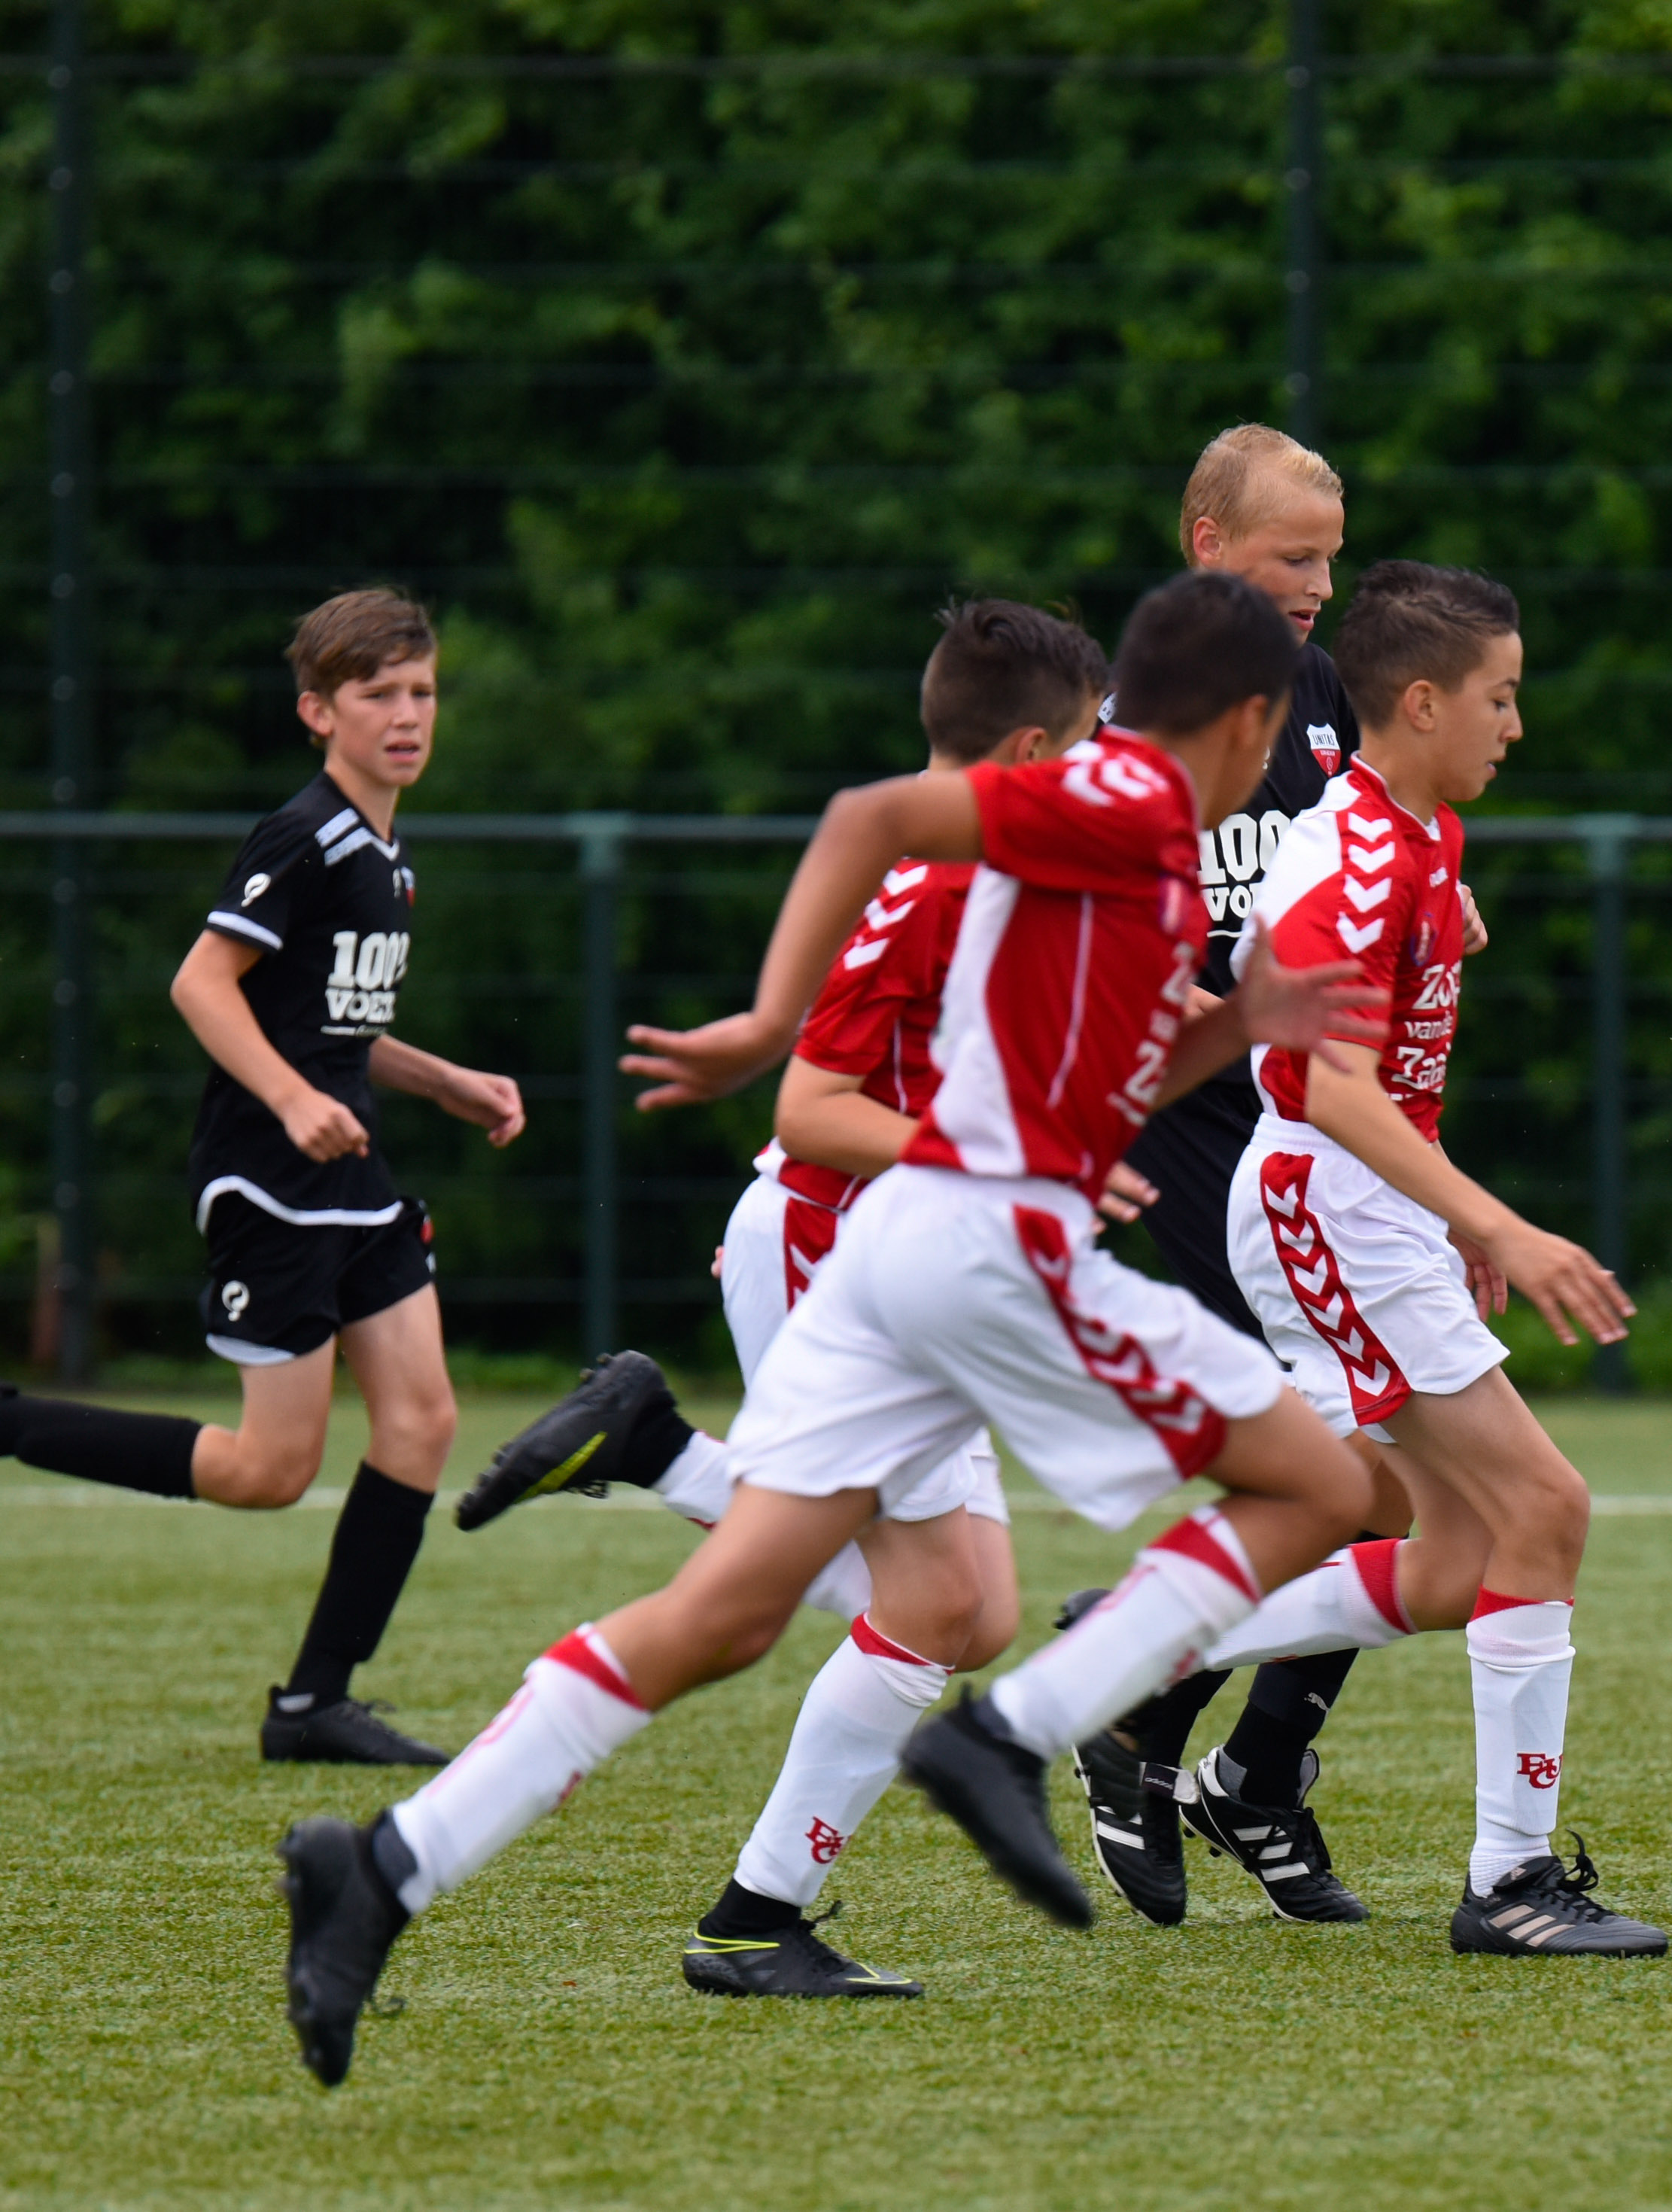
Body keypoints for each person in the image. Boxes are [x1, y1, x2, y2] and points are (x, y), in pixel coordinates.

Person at [272, 577, 1389, 2088]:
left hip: (905, 1259)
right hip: (971, 1250)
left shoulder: (1143, 851)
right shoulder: (1110, 805)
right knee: (1321, 1484)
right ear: (1252, 720)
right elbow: (870, 842)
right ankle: (1015, 1736)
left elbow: (1087, 1060)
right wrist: (761, 1031)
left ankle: (389, 1867)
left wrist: (1240, 1022)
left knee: (745, 1615)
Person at [448, 600, 1132, 1996]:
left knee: (975, 1612)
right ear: (1025, 752)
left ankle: (657, 1451)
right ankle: (755, 1915)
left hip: (884, 1253)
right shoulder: (941, 879)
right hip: (843, 1249)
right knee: (931, 1603)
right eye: (1086, 748)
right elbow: (817, 1113)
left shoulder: (969, 865)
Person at [1163, 558, 1662, 1957]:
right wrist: (1494, 1221)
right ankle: (1510, 1884)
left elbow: (1388, 1071)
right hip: (1326, 1203)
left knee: (1453, 1564)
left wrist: (1445, 1216)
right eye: (1501, 697)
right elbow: (1326, 1086)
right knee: (1545, 1508)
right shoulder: (1362, 857)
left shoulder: (1423, 832)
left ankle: (1149, 1640)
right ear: (1426, 702)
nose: (1518, 723)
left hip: (1367, 1206)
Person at [0, 589, 524, 1764]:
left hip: (354, 1168)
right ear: (317, 712)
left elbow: (328, 1025)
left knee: (422, 1420)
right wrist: (290, 1100)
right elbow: (203, 983)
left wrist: (443, 1080)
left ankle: (313, 1705)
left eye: (422, 692)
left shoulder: (386, 853)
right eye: (377, 695)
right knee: (268, 1470)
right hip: (274, 1177)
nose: (407, 715)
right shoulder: (306, 837)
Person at [1069, 423, 1418, 1931]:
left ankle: (1242, 1763)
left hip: (1312, 1117)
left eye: (1332, 556)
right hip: (1196, 1132)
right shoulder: (1130, 727)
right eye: (1295, 556)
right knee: (1351, 1450)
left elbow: (1360, 873)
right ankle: (1144, 1710)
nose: (1322, 585)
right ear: (1206, 544)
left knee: (1391, 1454)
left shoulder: (1322, 692)